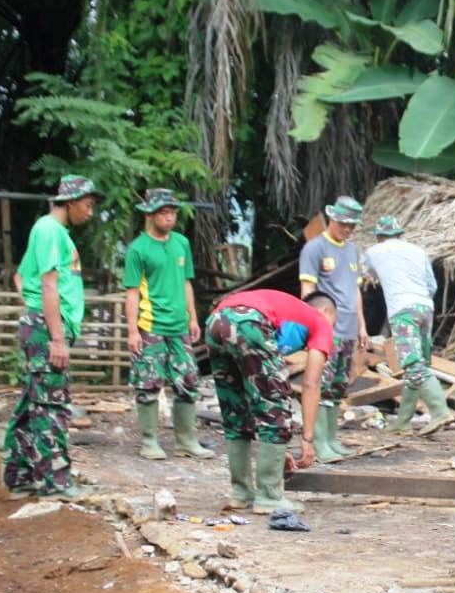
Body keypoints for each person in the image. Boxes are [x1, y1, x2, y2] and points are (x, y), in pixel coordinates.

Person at [2, 175, 101, 499]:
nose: (89, 213)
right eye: (87, 206)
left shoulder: (56, 233)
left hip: (45, 325)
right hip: (48, 330)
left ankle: (19, 475)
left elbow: (21, 276)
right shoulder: (49, 230)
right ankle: (55, 482)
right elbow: (47, 284)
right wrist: (55, 337)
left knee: (34, 401)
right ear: (70, 201)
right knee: (50, 406)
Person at [205, 289, 336, 513]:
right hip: (248, 322)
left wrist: (274, 447)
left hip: (215, 323)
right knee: (277, 406)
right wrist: (307, 439)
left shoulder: (288, 316)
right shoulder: (319, 321)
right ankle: (269, 497)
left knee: (236, 411)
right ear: (326, 311)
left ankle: (241, 494)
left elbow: (255, 392)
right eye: (335, 321)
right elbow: (311, 384)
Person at [123, 189, 213, 461]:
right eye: (164, 212)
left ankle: (186, 440)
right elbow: (131, 292)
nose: (170, 217)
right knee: (148, 383)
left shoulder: (181, 243)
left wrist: (193, 317)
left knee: (188, 380)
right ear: (150, 214)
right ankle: (150, 441)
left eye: (173, 212)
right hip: (151, 324)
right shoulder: (138, 249)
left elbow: (187, 282)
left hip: (180, 326)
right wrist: (132, 331)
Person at [364, 216, 455, 436]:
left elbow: (369, 276)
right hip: (425, 308)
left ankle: (440, 411)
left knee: (413, 364)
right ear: (400, 234)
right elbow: (431, 285)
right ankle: (403, 421)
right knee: (419, 364)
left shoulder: (373, 252)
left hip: (402, 311)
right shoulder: (418, 251)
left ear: (379, 236)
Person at [299, 195, 368, 463]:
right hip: (327, 327)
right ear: (332, 219)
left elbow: (356, 290)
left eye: (352, 225)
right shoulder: (315, 249)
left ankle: (330, 439)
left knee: (338, 386)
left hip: (350, 326)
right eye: (343, 223)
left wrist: (362, 325)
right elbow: (308, 289)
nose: (347, 229)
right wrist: (313, 325)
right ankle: (318, 441)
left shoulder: (352, 250)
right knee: (321, 384)